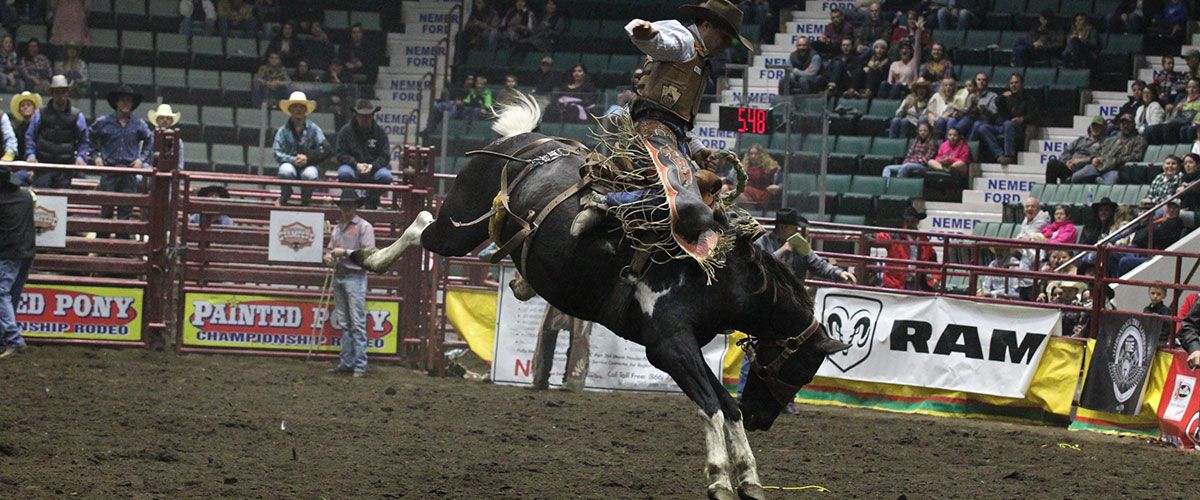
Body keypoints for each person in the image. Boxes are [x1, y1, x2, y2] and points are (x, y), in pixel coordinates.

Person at [570, 0, 754, 240]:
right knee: (683, 201)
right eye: (724, 37)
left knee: (701, 201)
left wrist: (697, 149)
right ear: (706, 25)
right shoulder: (685, 42)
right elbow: (660, 43)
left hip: (669, 135)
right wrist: (646, 35)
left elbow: (678, 118)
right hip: (652, 132)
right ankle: (603, 202)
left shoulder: (699, 57)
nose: (727, 45)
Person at [738, 208, 854, 399]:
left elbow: (817, 263)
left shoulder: (799, 246)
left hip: (789, 310)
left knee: (791, 354)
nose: (797, 231)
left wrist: (839, 273)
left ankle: (784, 397)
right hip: (766, 306)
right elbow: (758, 265)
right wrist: (783, 251)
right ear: (783, 227)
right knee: (756, 348)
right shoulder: (763, 242)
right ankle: (744, 395)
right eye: (794, 227)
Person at [324, 189, 376, 378]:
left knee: (356, 323)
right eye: (343, 205)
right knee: (346, 323)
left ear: (355, 206)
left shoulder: (364, 227)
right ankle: (347, 362)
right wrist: (328, 257)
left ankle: (359, 364)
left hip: (355, 276)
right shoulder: (337, 228)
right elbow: (330, 250)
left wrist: (343, 252)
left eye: (349, 205)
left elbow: (368, 254)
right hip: (340, 275)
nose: (346, 208)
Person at [89, 85, 153, 232]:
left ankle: (122, 243)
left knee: (126, 209)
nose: (126, 104)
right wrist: (96, 155)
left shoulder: (138, 124)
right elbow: (90, 136)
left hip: (129, 171)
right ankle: (103, 243)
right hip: (109, 170)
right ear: (117, 103)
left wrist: (141, 159)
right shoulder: (103, 121)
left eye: (129, 101)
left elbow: (149, 140)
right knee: (107, 208)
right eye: (123, 100)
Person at [25, 76, 88, 189]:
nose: (60, 95)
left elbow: (84, 140)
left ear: (67, 93)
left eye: (63, 92)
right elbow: (30, 136)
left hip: (65, 168)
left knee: (61, 200)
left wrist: (81, 157)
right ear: (52, 93)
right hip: (43, 166)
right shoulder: (40, 113)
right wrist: (31, 154)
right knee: (41, 200)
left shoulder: (77, 115)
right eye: (57, 92)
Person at [274, 91, 329, 206]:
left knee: (311, 175)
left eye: (301, 107)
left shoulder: (314, 129)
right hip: (289, 164)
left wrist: (308, 159)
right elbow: (277, 152)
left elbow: (326, 149)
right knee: (285, 171)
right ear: (290, 110)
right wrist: (293, 160)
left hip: (309, 164)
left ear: (305, 110)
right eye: (295, 106)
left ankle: (306, 199)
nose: (298, 110)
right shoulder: (282, 131)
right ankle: (285, 195)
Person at [0, 167, 32, 358]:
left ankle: (13, 338)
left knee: (1, 293)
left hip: (7, 254)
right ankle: (4, 339)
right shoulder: (26, 197)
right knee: (10, 297)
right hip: (26, 253)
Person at [335, 99, 391, 210]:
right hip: (352, 168)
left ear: (373, 116)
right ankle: (352, 201)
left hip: (373, 170)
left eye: (368, 116)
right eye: (362, 116)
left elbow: (385, 156)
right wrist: (356, 164)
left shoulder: (380, 133)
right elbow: (340, 154)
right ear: (356, 115)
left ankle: (371, 200)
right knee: (344, 173)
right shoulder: (345, 131)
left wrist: (371, 166)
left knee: (385, 176)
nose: (365, 118)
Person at [973, 73, 1037, 165]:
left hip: (1017, 127)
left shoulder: (1029, 99)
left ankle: (1009, 155)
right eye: (1011, 83)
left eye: (1016, 83)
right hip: (1001, 126)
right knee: (983, 128)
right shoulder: (1006, 98)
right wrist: (1002, 96)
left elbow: (1034, 115)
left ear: (1022, 84)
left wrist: (1022, 119)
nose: (1013, 85)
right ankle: (999, 154)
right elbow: (998, 103)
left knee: (1008, 123)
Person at [876, 206, 939, 290]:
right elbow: (879, 238)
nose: (910, 224)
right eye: (907, 221)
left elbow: (933, 261)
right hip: (896, 282)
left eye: (912, 221)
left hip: (917, 281)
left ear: (917, 222)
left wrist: (936, 278)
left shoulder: (924, 239)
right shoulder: (895, 235)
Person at [1072, 114, 1146, 184]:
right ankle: (1094, 181)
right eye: (1123, 123)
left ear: (1133, 124)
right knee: (1075, 177)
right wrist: (1094, 158)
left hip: (1115, 169)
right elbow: (1098, 151)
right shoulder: (1111, 139)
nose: (1125, 126)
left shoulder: (1139, 140)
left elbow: (1136, 157)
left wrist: (1115, 161)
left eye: (1128, 123)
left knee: (1110, 184)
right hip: (1099, 166)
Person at [1046, 117, 1105, 184]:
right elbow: (1067, 152)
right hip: (1071, 168)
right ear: (1090, 127)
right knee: (1052, 163)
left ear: (1102, 129)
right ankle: (1050, 191)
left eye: (1099, 126)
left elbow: (1099, 158)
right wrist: (1067, 162)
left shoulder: (1104, 143)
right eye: (1094, 125)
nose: (1096, 128)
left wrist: (1081, 160)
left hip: (1085, 170)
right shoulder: (1080, 140)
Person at [878, 31, 923, 100]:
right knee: (884, 84)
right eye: (902, 48)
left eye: (906, 48)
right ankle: (881, 104)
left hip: (908, 89)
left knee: (898, 85)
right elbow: (889, 82)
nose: (904, 50)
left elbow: (917, 49)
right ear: (899, 51)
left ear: (911, 51)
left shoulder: (914, 63)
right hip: (894, 88)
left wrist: (918, 32)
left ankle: (889, 105)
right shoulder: (894, 64)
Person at [953, 72, 996, 142]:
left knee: (976, 124)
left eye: (984, 80)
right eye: (979, 79)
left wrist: (984, 110)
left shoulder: (992, 96)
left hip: (982, 120)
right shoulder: (967, 94)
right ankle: (948, 147)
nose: (981, 82)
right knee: (951, 121)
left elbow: (994, 114)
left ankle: (968, 146)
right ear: (975, 82)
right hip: (967, 117)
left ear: (987, 83)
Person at [737, 143, 780, 209]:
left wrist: (777, 186)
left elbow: (780, 181)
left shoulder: (769, 167)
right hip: (745, 192)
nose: (753, 156)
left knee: (738, 192)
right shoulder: (745, 167)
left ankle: (752, 210)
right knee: (724, 188)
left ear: (761, 155)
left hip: (761, 194)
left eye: (756, 154)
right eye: (751, 154)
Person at [9, 91, 39, 183]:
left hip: (38, 168)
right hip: (20, 168)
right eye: (22, 105)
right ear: (19, 110)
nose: (25, 107)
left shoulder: (40, 127)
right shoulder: (16, 129)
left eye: (29, 105)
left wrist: (34, 170)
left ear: (34, 109)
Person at [147, 103, 184, 170]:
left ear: (171, 121)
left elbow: (180, 165)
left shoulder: (178, 141)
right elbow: (143, 161)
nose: (165, 120)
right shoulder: (149, 138)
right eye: (162, 118)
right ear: (157, 120)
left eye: (168, 118)